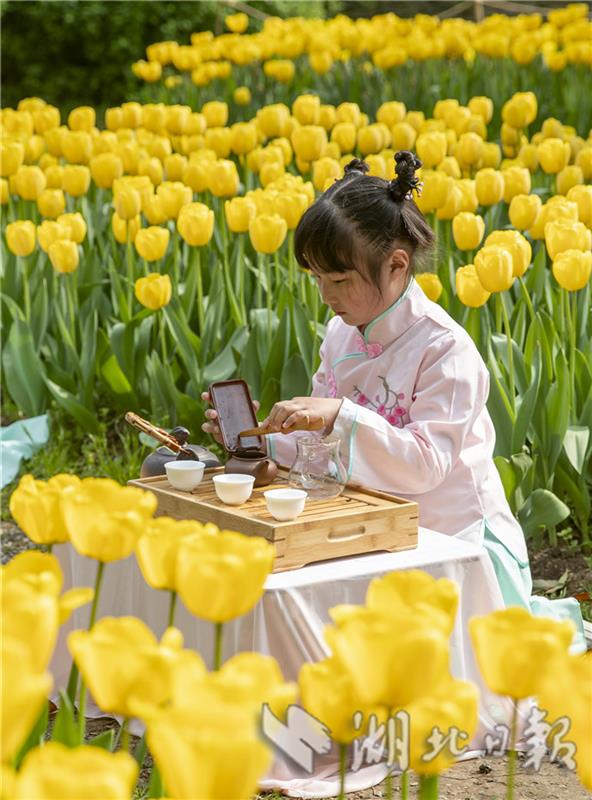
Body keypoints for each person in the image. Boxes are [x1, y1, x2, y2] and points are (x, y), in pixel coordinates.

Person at [202, 150, 584, 647]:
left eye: (338, 280)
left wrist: (339, 412)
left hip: (452, 544)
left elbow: (425, 465)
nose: (325, 295)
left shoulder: (444, 349)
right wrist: (265, 441)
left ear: (397, 264)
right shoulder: (340, 336)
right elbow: (328, 452)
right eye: (316, 279)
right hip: (368, 527)